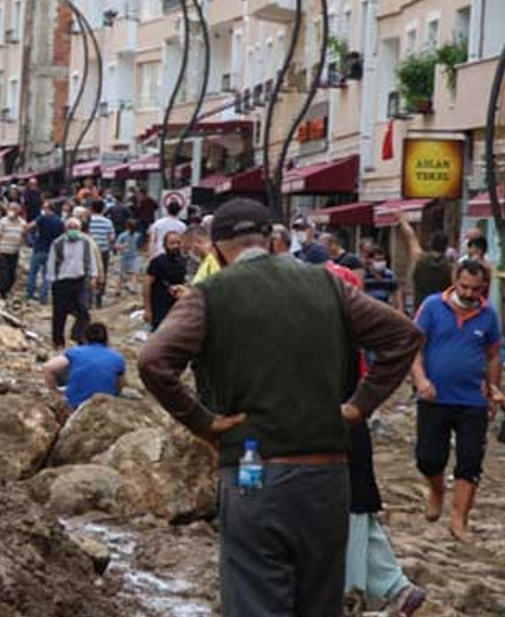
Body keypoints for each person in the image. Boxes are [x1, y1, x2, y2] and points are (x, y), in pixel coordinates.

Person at [138, 198, 421, 617]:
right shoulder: (328, 284)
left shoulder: (208, 295)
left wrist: (204, 424)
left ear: (216, 251)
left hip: (255, 477)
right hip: (327, 477)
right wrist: (360, 405)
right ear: (273, 241)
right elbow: (404, 335)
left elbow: (152, 362)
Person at [321, 258, 429, 617]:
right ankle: (394, 586)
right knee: (359, 513)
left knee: (351, 514)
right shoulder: (348, 337)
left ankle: (354, 592)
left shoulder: (333, 341)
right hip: (351, 434)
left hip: (339, 438)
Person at [411, 260, 505, 541]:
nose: (468, 293)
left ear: (483, 287)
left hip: (472, 401)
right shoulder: (431, 307)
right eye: (464, 286)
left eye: (475, 289)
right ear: (455, 280)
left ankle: (459, 519)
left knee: (470, 460)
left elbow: (492, 355)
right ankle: (437, 490)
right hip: (434, 397)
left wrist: (493, 389)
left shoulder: (488, 316)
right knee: (428, 458)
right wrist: (420, 380)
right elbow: (415, 348)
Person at [41, 323, 125, 409]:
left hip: (75, 404)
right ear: (106, 339)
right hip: (104, 406)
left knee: (66, 373)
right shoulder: (117, 357)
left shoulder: (75, 352)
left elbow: (48, 368)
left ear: (85, 338)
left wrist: (55, 392)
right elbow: (119, 385)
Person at [47, 217, 101, 348]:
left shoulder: (85, 243)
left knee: (83, 310)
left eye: (75, 228)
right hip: (62, 281)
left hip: (80, 281)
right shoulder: (57, 243)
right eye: (70, 227)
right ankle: (58, 341)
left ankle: (80, 337)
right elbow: (52, 262)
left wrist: (94, 276)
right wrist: (52, 280)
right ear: (66, 229)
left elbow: (90, 260)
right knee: (59, 313)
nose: (73, 230)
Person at [398, 212, 453, 311]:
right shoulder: (450, 266)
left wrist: (402, 220)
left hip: (421, 307)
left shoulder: (419, 258)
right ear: (446, 247)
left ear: (430, 243)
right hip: (443, 309)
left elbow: (410, 237)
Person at [144, 231, 187, 330]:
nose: (175, 246)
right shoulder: (157, 262)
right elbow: (146, 284)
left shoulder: (183, 262)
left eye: (178, 243)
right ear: (165, 245)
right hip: (160, 308)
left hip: (178, 308)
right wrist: (147, 309)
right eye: (172, 243)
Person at [27, 200, 65, 302]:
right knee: (47, 275)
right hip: (51, 251)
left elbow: (29, 226)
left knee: (33, 273)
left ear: (48, 209)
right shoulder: (59, 221)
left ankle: (30, 294)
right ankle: (43, 297)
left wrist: (31, 235)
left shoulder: (42, 218)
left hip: (39, 248)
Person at [0, 201, 28, 298]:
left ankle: (8, 290)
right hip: (3, 251)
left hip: (14, 252)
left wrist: (22, 247)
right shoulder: (3, 221)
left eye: (14, 209)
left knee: (12, 275)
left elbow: (23, 236)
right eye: (10, 209)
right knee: (4, 274)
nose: (12, 211)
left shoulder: (22, 223)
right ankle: (2, 292)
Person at [87, 200, 116, 308]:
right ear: (103, 209)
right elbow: (111, 238)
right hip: (103, 251)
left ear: (91, 208)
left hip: (89, 250)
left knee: (89, 273)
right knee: (102, 273)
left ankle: (89, 297)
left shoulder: (88, 221)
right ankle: (99, 298)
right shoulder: (108, 222)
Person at [114, 220, 141, 295]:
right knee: (121, 273)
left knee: (134, 272)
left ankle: (133, 288)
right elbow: (116, 246)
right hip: (124, 257)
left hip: (134, 256)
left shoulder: (137, 235)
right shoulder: (123, 235)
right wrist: (122, 246)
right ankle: (118, 289)